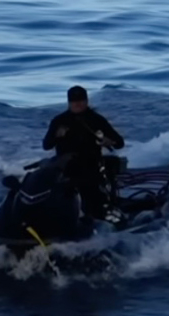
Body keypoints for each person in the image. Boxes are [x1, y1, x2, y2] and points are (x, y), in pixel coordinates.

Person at [43, 85, 126, 221]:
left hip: (90, 166)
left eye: (81, 100)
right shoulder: (59, 121)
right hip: (66, 167)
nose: (78, 104)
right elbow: (46, 146)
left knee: (92, 197)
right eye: (74, 101)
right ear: (69, 102)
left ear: (87, 101)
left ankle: (98, 215)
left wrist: (108, 141)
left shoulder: (96, 120)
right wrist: (56, 136)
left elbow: (119, 143)